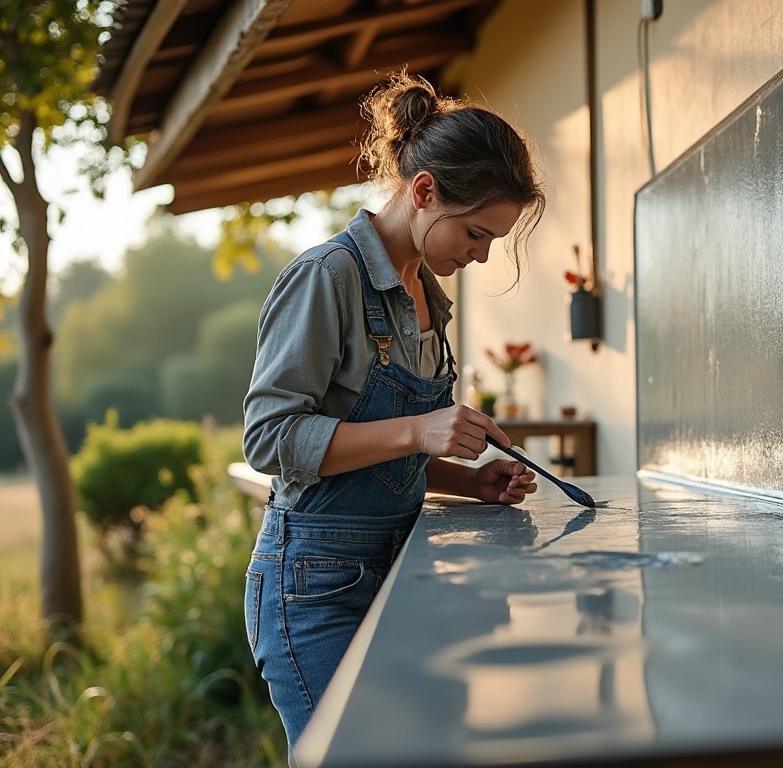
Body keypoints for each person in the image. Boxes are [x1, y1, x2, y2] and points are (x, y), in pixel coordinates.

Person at [241, 69, 545, 749]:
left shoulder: (428, 298)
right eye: (476, 233)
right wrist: (421, 427)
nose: (482, 254)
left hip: (400, 571)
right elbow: (270, 439)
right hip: (315, 589)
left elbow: (379, 457)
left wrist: (469, 482)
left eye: (493, 239)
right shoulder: (328, 278)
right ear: (425, 190)